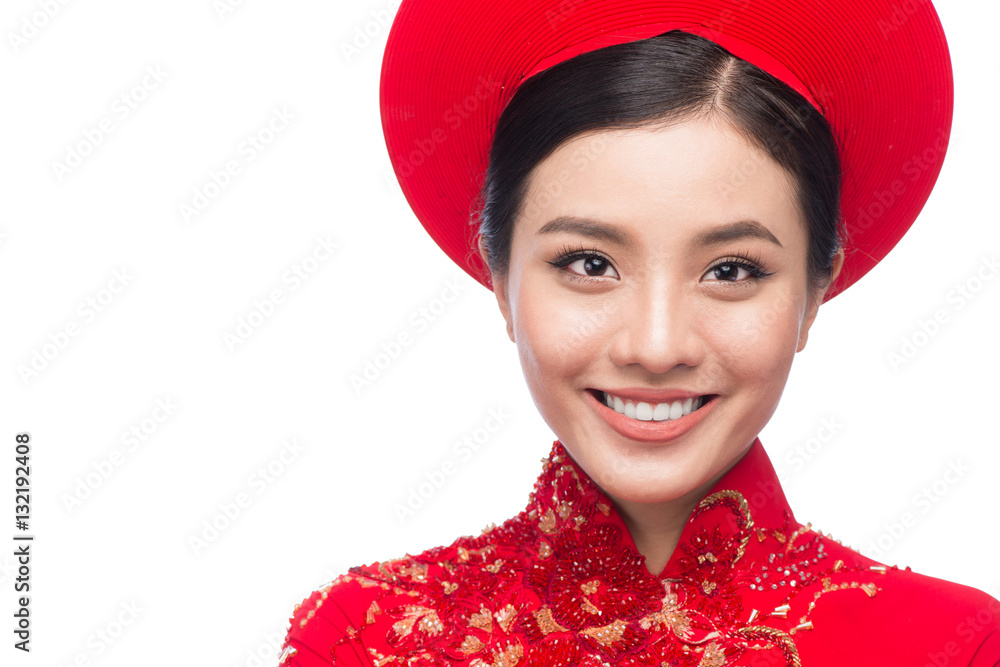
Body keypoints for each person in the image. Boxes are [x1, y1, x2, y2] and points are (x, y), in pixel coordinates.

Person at [279, 0, 1000, 664]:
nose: (656, 347)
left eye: (732, 270)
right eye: (589, 263)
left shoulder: (954, 645)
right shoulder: (363, 638)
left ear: (816, 289)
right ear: (500, 278)